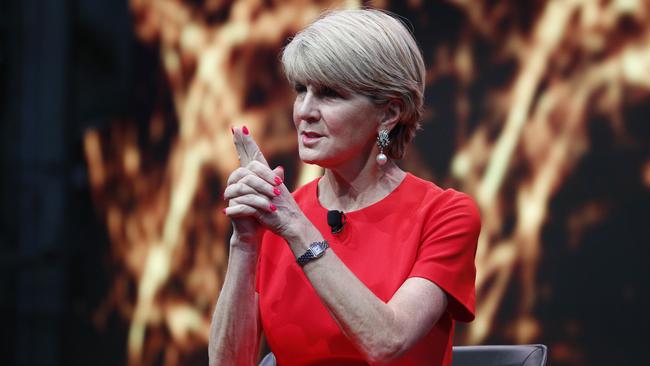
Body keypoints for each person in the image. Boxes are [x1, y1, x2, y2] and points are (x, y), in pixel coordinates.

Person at [209, 8, 480, 366]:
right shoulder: (279, 218)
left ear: (389, 113)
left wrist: (295, 227)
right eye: (301, 90)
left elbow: (387, 341)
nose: (305, 111)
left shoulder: (445, 215)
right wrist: (244, 243)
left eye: (330, 94)